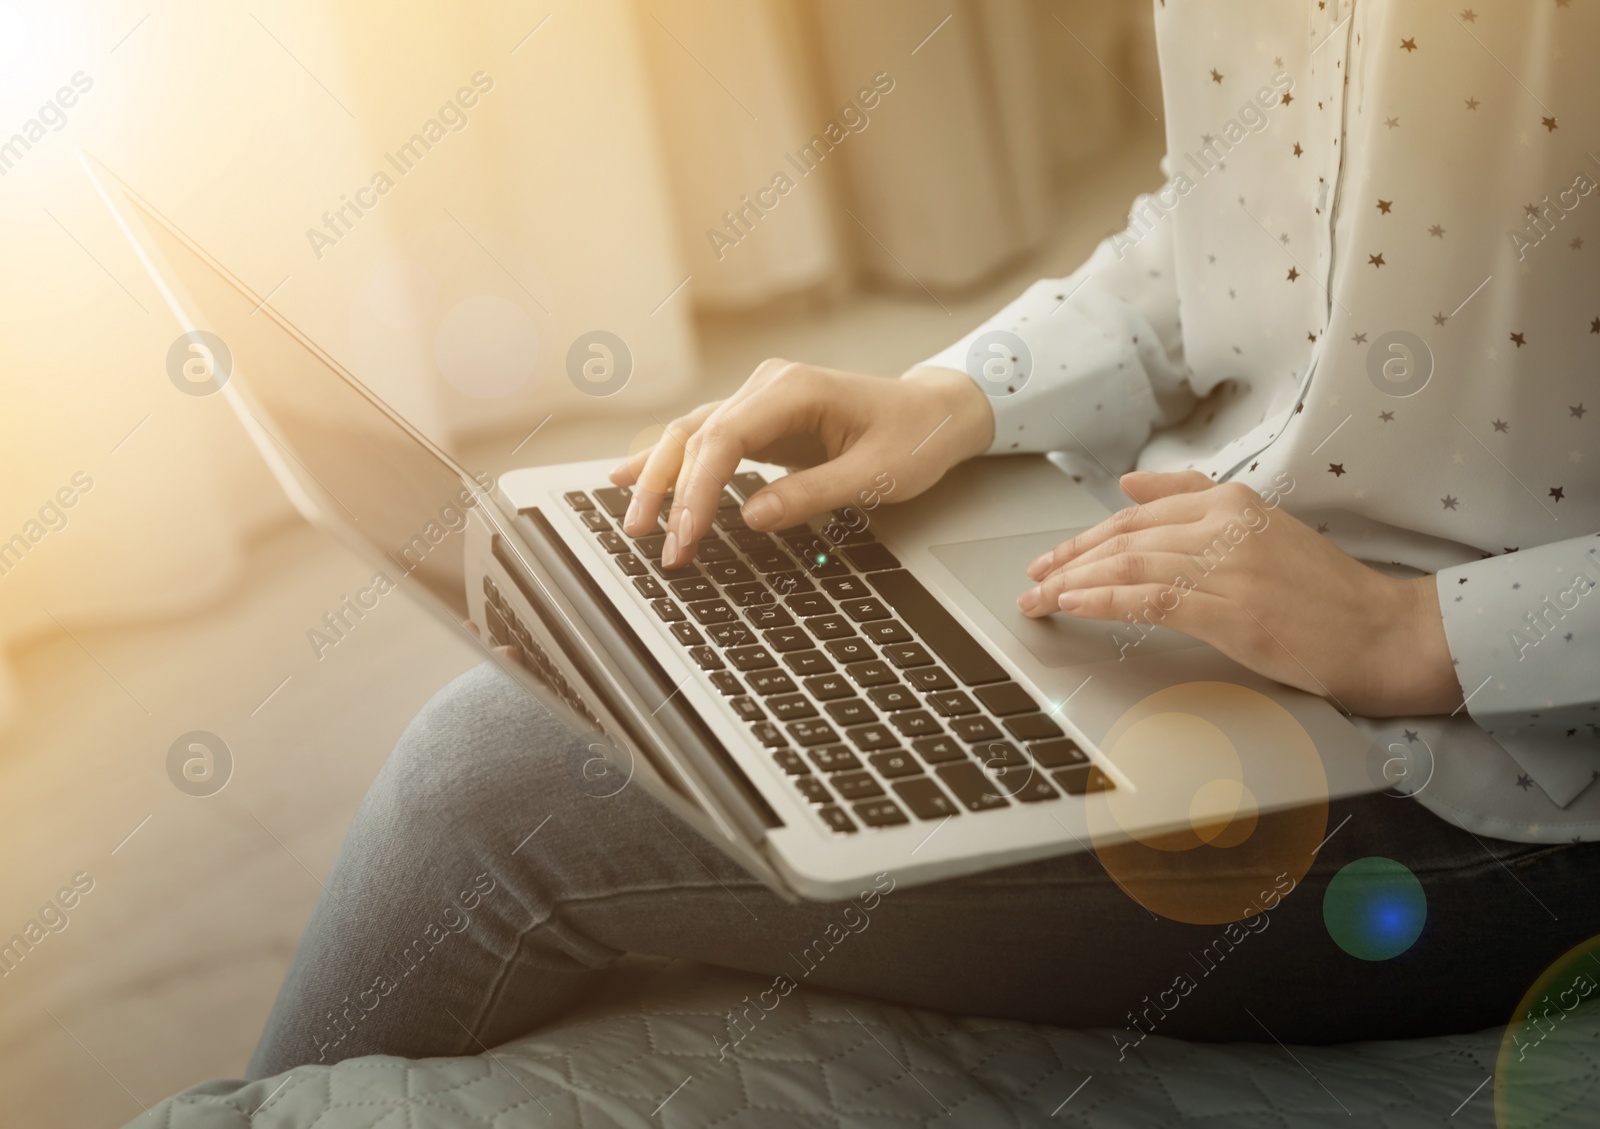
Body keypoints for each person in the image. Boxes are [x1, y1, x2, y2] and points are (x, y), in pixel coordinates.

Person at [248, 0, 1599, 1078]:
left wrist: (1404, 631)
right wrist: (958, 396)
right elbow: (1227, 234)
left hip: (1507, 765)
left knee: (493, 787)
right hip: (1171, 548)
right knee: (626, 623)